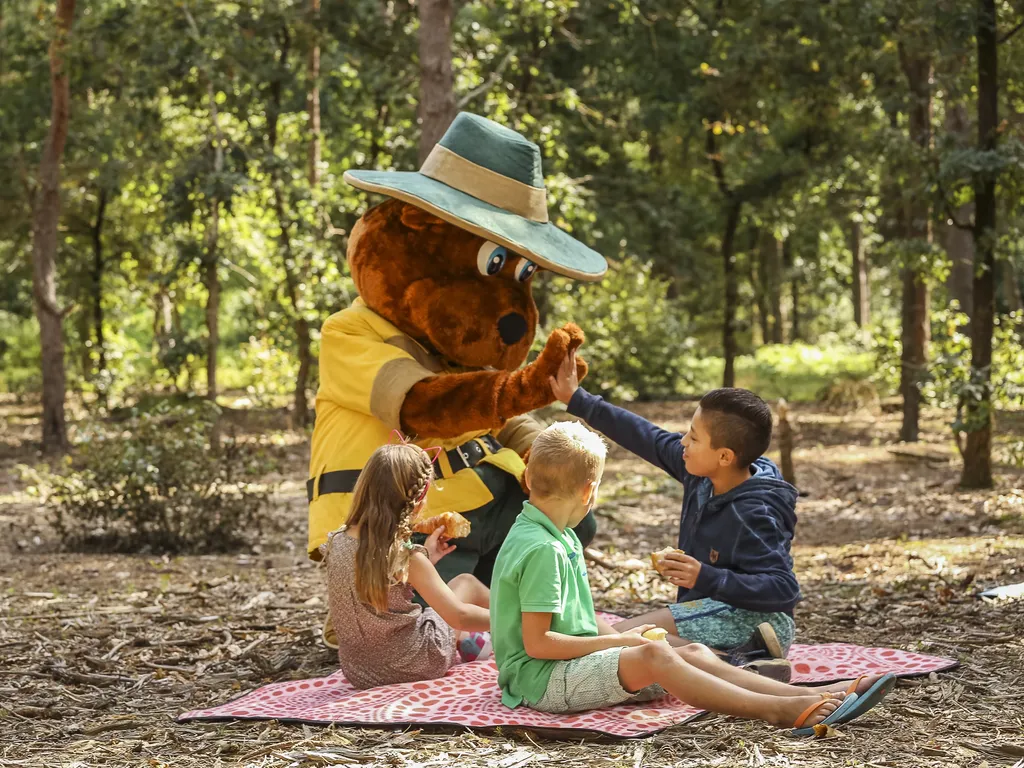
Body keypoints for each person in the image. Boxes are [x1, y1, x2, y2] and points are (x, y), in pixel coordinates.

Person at [489, 421, 893, 731]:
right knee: (654, 655)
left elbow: (583, 621)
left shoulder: (558, 534)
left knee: (692, 650)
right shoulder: (544, 548)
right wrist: (621, 641)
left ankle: (817, 693)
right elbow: (538, 644)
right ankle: (781, 709)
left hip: (566, 667)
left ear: (527, 478)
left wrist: (623, 635)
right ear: (588, 491)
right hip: (540, 682)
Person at [550, 351, 800, 662]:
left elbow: (783, 589)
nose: (683, 442)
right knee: (618, 640)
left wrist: (705, 577)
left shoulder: (753, 512)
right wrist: (578, 399)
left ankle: (741, 661)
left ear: (724, 456)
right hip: (710, 609)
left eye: (694, 438)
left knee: (615, 643)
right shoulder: (701, 471)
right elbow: (647, 437)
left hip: (760, 622)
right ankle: (735, 662)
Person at [320, 441, 490, 689]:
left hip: (358, 671)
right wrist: (513, 620)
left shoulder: (336, 541)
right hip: (416, 662)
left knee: (438, 612)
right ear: (417, 504)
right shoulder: (406, 556)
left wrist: (428, 559)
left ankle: (469, 641)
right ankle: (520, 625)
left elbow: (375, 583)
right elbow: (459, 615)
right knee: (466, 583)